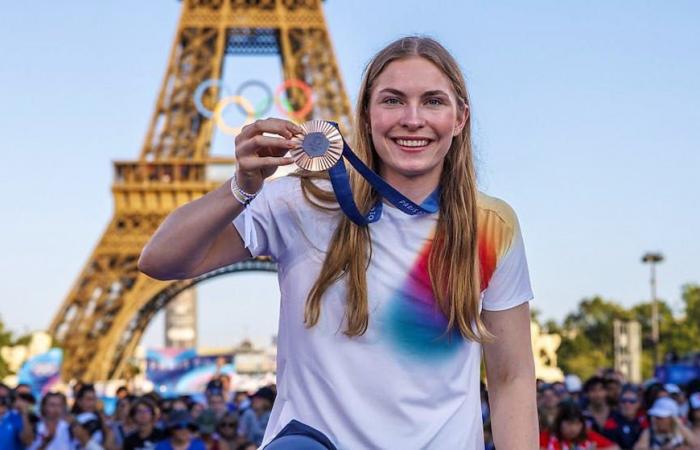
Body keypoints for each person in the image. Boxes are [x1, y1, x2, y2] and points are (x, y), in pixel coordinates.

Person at [139, 35, 537, 449]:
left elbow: (511, 377)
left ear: (460, 118)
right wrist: (240, 187)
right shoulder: (301, 200)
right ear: (365, 115)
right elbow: (160, 260)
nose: (413, 118)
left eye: (433, 101)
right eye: (392, 100)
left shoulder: (490, 224)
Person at [540, 401, 619, 450]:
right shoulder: (548, 436)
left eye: (577, 424)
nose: (573, 428)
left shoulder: (587, 435)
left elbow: (615, 448)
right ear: (559, 423)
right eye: (569, 423)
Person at [633, 397, 699, 450]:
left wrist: (679, 425)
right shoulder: (648, 432)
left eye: (660, 418)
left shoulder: (681, 432)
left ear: (672, 419)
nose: (656, 420)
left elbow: (695, 445)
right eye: (655, 417)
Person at [601, 385, 648, 449]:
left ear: (638, 404)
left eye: (632, 401)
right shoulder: (612, 422)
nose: (627, 404)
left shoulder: (643, 420)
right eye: (624, 400)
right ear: (619, 403)